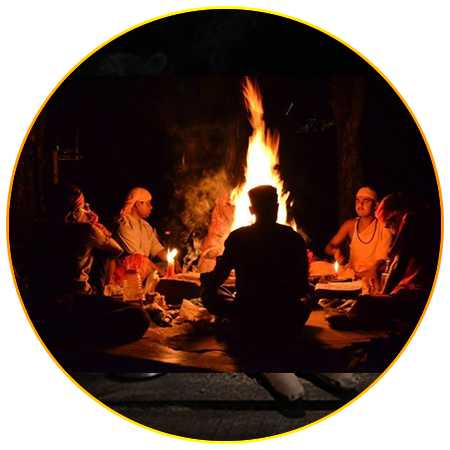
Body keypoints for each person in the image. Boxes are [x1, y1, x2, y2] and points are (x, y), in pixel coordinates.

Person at [30, 184, 151, 345]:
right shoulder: (86, 230)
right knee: (140, 315)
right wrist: (98, 229)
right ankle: (88, 332)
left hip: (44, 305)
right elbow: (116, 250)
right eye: (83, 207)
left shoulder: (38, 229)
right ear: (73, 213)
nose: (88, 211)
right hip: (77, 300)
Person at [200, 185, 310, 338]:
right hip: (286, 314)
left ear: (251, 210)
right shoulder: (294, 238)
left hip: (247, 312)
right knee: (307, 299)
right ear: (277, 207)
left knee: (209, 294)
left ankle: (245, 322)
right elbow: (303, 286)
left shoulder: (238, 237)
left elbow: (218, 278)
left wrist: (206, 281)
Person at [352, 193, 440, 323]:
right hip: (412, 291)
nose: (391, 230)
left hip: (418, 295)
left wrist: (383, 296)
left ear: (395, 217)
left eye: (388, 224)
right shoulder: (425, 216)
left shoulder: (411, 220)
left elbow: (398, 264)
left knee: (364, 302)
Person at [325, 186, 393, 279]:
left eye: (366, 201)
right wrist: (334, 251)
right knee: (316, 266)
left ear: (376, 206)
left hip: (372, 273)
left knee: (381, 269)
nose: (360, 204)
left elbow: (383, 260)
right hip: (351, 271)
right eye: (357, 201)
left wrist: (359, 274)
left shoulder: (384, 226)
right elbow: (328, 247)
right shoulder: (350, 225)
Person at [113, 187, 177, 284]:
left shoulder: (145, 226)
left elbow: (157, 249)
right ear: (138, 204)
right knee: (160, 273)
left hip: (146, 269)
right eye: (148, 203)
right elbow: (140, 258)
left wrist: (173, 262)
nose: (151, 207)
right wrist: (161, 272)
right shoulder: (124, 226)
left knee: (168, 267)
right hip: (129, 274)